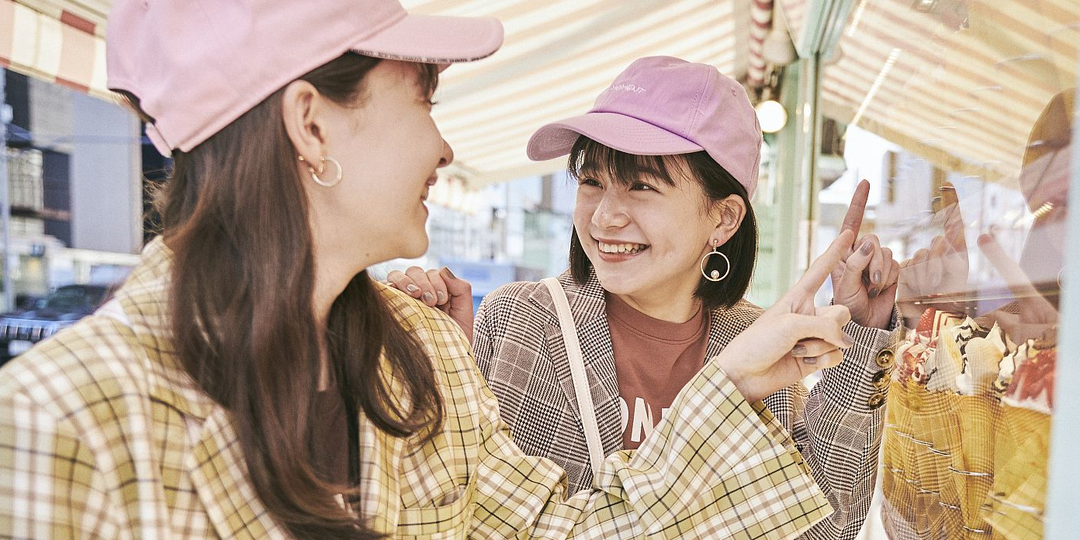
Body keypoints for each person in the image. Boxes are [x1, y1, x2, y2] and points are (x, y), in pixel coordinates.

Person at [0, 3, 865, 537]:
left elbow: (570, 530)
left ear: (725, 217)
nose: (445, 142)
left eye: (642, 186)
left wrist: (733, 383)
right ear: (311, 127)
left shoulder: (419, 352)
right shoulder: (55, 426)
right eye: (424, 94)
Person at [389, 56, 903, 540]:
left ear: (722, 219)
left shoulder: (756, 340)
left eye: (642, 187)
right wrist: (445, 368)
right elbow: (489, 506)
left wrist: (858, 336)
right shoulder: (526, 319)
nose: (604, 216)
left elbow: (821, 524)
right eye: (591, 182)